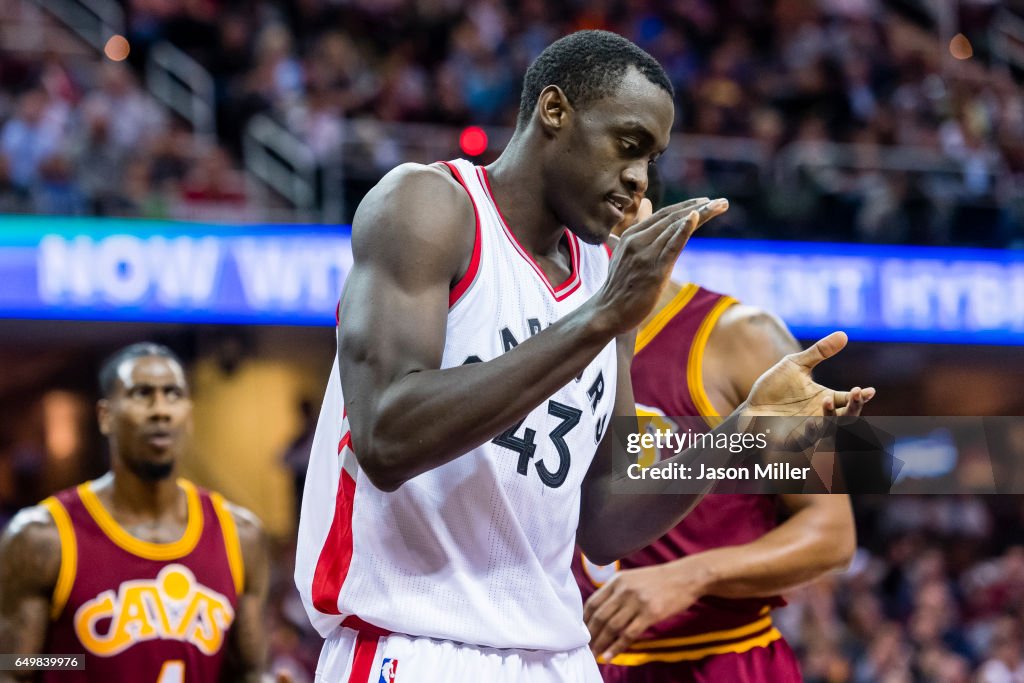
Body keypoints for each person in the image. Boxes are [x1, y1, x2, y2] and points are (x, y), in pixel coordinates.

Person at [295, 30, 873, 682]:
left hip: (561, 653)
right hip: (418, 638)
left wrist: (741, 428)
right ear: (554, 111)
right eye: (628, 145)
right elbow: (384, 437)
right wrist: (600, 320)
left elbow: (605, 520)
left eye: (653, 159)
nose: (638, 177)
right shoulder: (429, 207)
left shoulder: (604, 274)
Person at [574, 167, 857, 681]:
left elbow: (831, 532)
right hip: (567, 660)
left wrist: (693, 575)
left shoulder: (740, 336)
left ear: (651, 219)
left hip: (715, 659)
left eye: (618, 210)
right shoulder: (540, 332)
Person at [0, 343, 270, 683]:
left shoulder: (240, 534)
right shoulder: (41, 537)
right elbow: (12, 668)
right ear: (105, 416)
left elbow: (250, 672)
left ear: (188, 413)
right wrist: (70, 663)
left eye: (173, 394)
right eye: (142, 394)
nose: (160, 410)